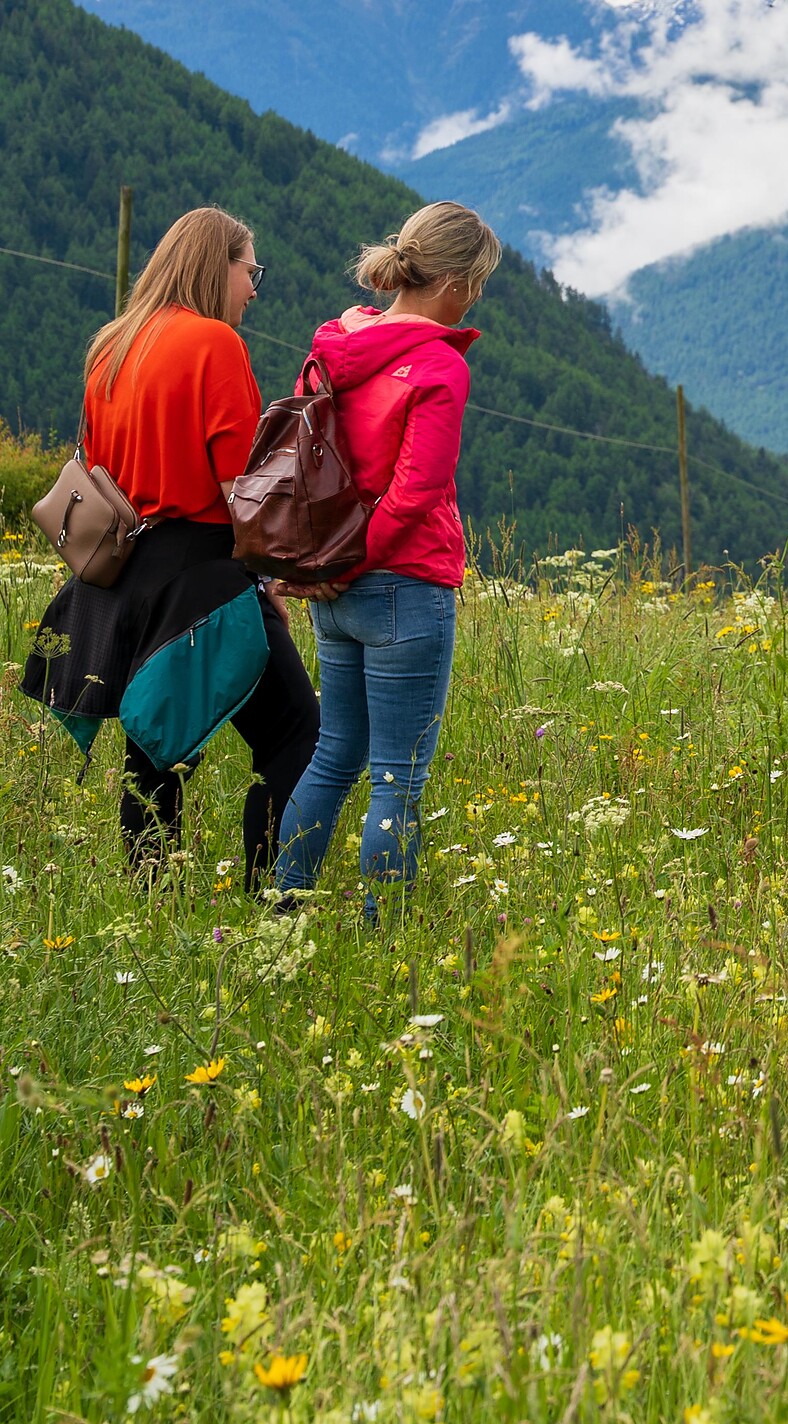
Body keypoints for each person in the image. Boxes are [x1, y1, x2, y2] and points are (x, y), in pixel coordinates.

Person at [20, 206, 319, 888]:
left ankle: (151, 902)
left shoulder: (111, 346)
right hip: (207, 575)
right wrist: (277, 573)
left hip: (127, 579)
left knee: (154, 752)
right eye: (251, 271)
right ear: (220, 266)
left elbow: (99, 472)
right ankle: (270, 900)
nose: (253, 288)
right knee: (296, 735)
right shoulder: (214, 344)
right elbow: (241, 485)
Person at [272, 202, 501, 921]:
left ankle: (286, 910)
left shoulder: (336, 342)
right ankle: (382, 939)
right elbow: (414, 494)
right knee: (398, 779)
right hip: (403, 583)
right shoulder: (438, 367)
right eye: (480, 282)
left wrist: (325, 566)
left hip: (333, 587)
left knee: (333, 756)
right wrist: (355, 559)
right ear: (457, 283)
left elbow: (309, 465)